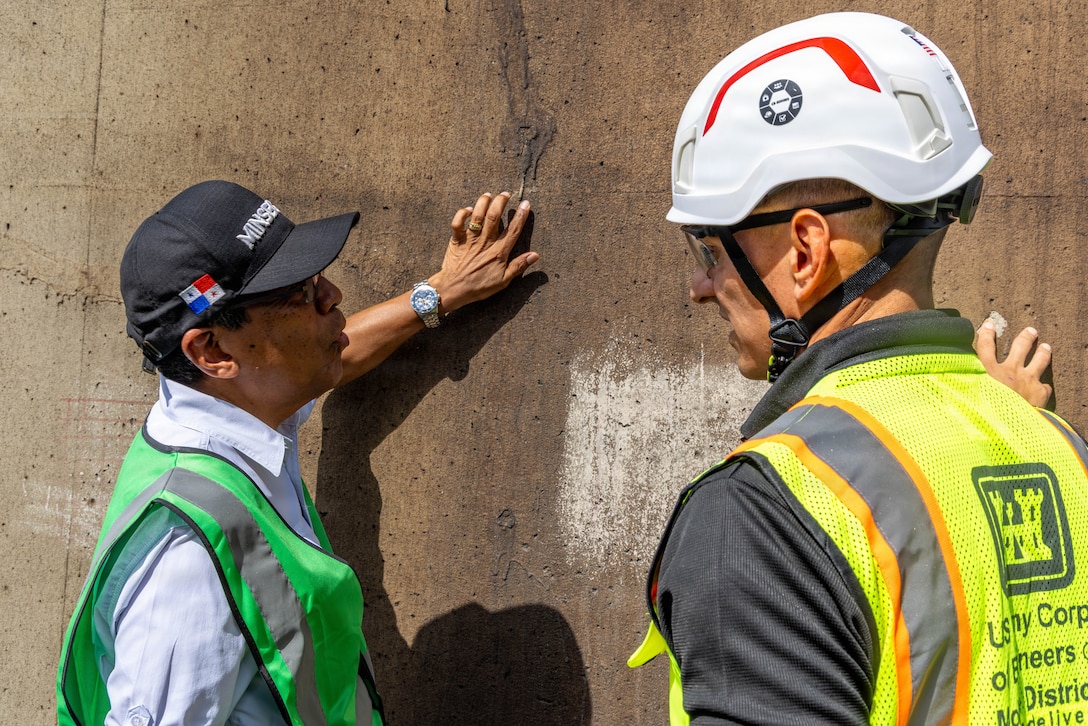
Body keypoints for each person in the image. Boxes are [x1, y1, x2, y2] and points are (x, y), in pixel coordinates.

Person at [628, 12, 1088, 725]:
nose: (699, 287)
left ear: (806, 252)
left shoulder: (763, 517)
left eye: (710, 251)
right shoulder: (1060, 449)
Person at [57, 180, 538, 726]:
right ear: (212, 350)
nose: (332, 295)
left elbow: (330, 357)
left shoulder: (222, 405)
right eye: (298, 294)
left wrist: (441, 291)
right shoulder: (185, 564)